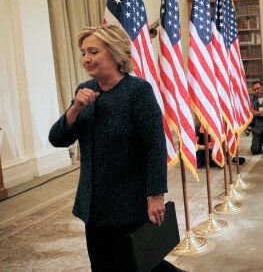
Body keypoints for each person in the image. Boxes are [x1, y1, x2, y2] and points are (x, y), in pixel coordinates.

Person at [48, 25, 175, 271]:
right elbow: (57, 139)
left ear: (115, 53)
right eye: (83, 53)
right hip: (94, 206)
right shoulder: (85, 92)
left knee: (140, 265)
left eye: (93, 52)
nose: (86, 59)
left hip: (131, 204)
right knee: (103, 266)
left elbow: (156, 146)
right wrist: (75, 109)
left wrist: (156, 195)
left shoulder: (137, 91)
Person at [250, 81, 263, 154]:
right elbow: (251, 112)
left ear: (262, 87)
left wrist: (257, 112)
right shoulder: (251, 98)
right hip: (257, 129)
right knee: (255, 151)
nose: (257, 91)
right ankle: (258, 143)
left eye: (258, 88)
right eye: (255, 89)